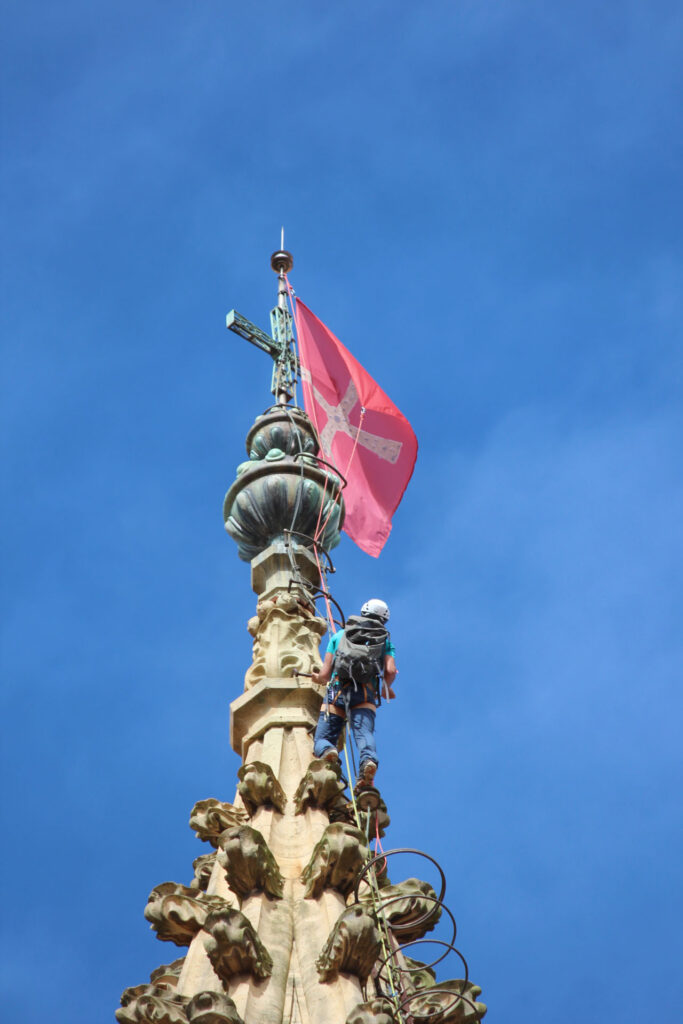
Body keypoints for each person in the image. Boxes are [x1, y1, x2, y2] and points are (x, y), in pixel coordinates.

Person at [311, 598, 397, 789]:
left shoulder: (340, 635)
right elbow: (390, 671)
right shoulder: (384, 641)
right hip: (366, 694)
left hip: (337, 689)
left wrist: (316, 677)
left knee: (322, 737)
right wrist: (385, 688)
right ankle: (368, 762)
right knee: (364, 733)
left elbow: (325, 675)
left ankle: (327, 751)